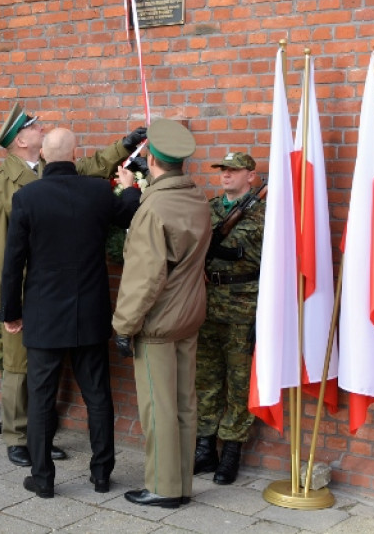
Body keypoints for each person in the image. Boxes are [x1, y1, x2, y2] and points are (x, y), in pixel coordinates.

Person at [0, 101, 146, 467]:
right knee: (19, 368)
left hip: (47, 299)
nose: (42, 129)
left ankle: (39, 440)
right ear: (21, 140)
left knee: (41, 375)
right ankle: (17, 436)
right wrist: (1, 302)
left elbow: (92, 165)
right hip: (22, 291)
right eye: (36, 127)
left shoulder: (46, 171)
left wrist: (126, 144)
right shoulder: (0, 183)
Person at [112, 118, 211, 509]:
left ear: (150, 158)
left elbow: (144, 277)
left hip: (157, 321)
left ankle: (164, 486)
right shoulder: (196, 196)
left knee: (159, 407)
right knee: (184, 402)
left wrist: (124, 325)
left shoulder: (153, 209)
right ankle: (181, 482)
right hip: (190, 313)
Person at [194, 152, 265, 485]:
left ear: (250, 176)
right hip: (207, 305)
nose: (225, 175)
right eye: (222, 169)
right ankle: (205, 448)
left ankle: (232, 452)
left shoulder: (266, 213)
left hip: (243, 306)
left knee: (238, 383)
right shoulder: (208, 209)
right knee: (205, 379)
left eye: (233, 170)